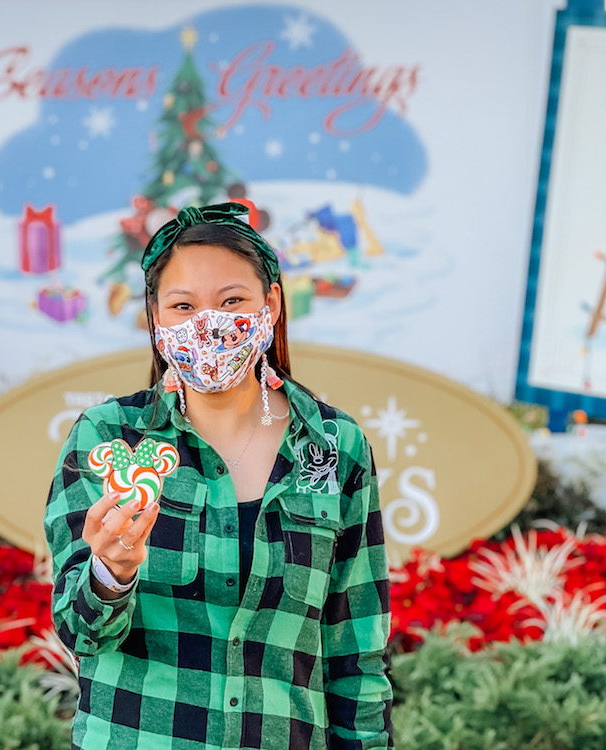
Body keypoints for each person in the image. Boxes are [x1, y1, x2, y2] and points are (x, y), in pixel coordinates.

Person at [44, 202, 393, 749]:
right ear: (156, 317)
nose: (208, 324)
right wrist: (110, 571)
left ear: (270, 304)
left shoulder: (334, 446)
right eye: (183, 306)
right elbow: (81, 632)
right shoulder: (110, 439)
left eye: (232, 301)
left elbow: (356, 649)